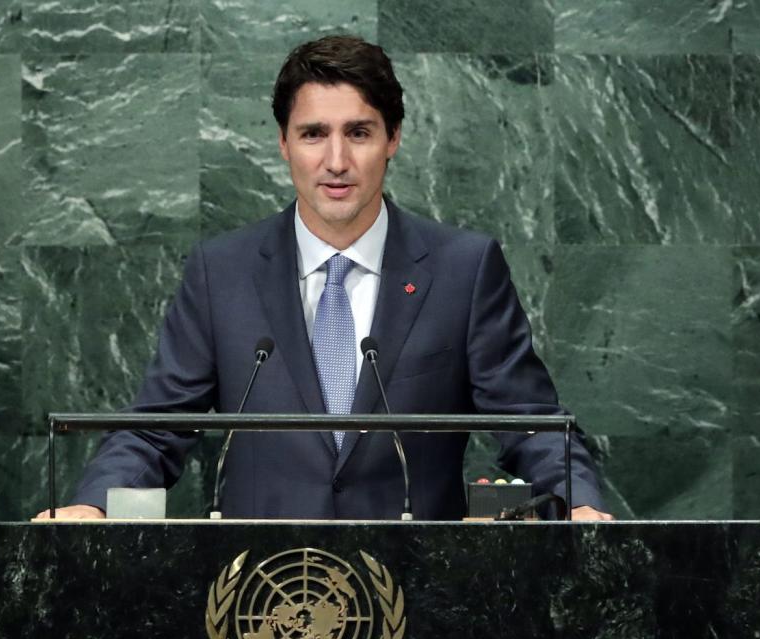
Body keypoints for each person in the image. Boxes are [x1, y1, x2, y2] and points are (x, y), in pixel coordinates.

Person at [35, 36, 613, 522]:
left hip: (421, 600)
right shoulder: (223, 272)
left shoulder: (464, 269)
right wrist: (95, 506)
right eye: (314, 134)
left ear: (393, 139)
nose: (336, 160)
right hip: (258, 598)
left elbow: (532, 426)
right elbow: (157, 429)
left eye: (359, 133)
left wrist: (577, 502)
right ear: (283, 143)